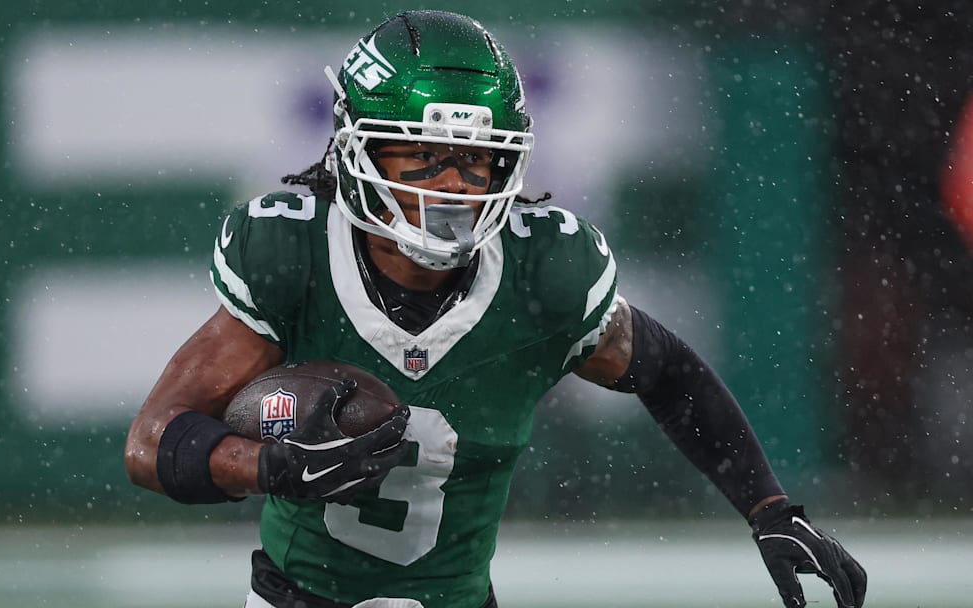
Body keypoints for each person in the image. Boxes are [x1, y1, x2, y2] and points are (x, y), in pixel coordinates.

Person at [125, 10, 867, 608]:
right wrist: (267, 465)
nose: (452, 187)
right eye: (422, 157)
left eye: (475, 160)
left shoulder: (542, 271)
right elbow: (151, 442)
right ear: (357, 152)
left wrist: (771, 509)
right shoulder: (294, 254)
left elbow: (669, 374)